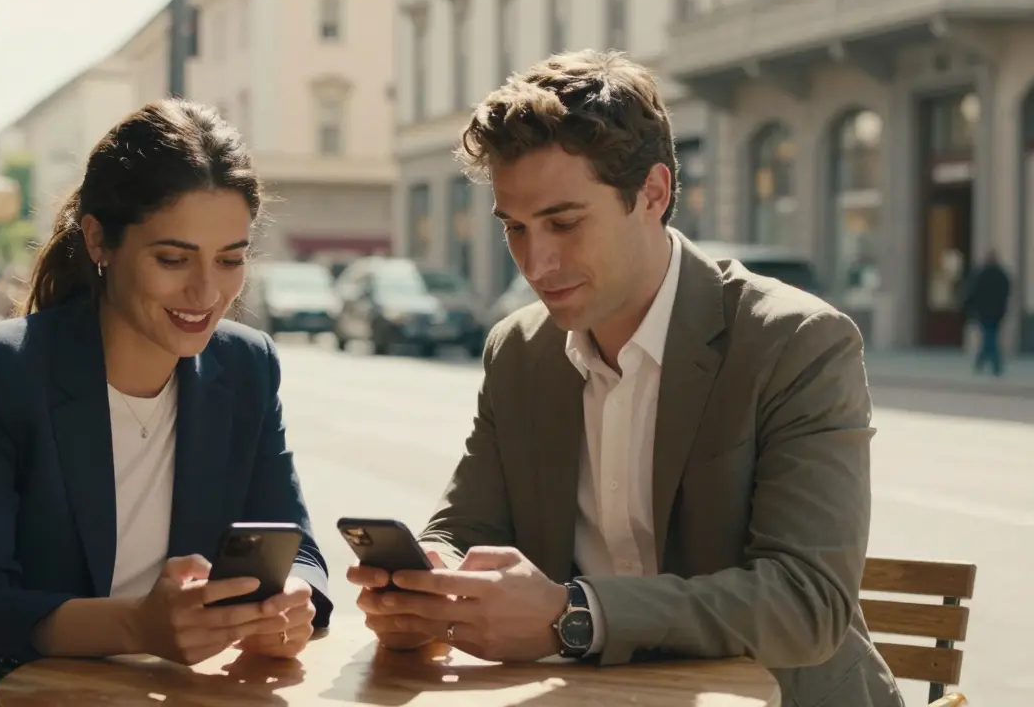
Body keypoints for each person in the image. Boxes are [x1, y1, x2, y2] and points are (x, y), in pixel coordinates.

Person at [347, 50, 902, 707]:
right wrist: (428, 580)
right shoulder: (519, 350)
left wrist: (574, 614)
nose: (536, 262)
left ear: (653, 194)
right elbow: (466, 524)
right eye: (516, 228)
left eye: (564, 222)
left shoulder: (797, 343)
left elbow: (806, 604)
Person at [0, 99, 331, 707]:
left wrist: (294, 601)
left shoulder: (247, 366)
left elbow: (297, 548)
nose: (207, 291)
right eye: (172, 259)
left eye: (231, 259)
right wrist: (136, 626)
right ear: (99, 240)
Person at [963, 249, 1011, 376]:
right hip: (996, 312)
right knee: (990, 336)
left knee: (989, 337)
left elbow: (973, 292)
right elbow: (1006, 292)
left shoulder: (981, 274)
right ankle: (989, 362)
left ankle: (987, 361)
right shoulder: (1000, 275)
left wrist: (970, 308)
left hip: (984, 312)